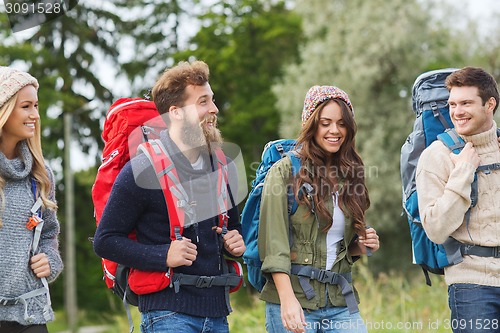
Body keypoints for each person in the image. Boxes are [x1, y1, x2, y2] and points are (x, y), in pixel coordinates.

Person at [93, 60, 245, 333]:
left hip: (218, 314)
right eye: (203, 102)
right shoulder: (142, 170)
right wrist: (163, 255)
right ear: (175, 112)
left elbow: (233, 227)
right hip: (167, 315)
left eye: (212, 100)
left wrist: (234, 240)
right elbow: (105, 242)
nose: (214, 109)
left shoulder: (222, 166)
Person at [258, 85, 380, 333]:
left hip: (339, 301)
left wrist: (360, 245)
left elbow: (335, 245)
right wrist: (287, 300)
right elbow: (274, 245)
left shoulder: (350, 174)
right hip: (295, 300)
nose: (335, 130)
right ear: (311, 124)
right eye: (325, 123)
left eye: (342, 123)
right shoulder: (284, 172)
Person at [416, 66, 500, 332]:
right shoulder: (436, 156)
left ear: (490, 104)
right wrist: (462, 173)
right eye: (452, 104)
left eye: (466, 103)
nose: (457, 111)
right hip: (472, 283)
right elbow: (436, 230)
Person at [0, 66, 63, 332]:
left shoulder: (40, 175)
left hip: (30, 313)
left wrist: (50, 259)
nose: (35, 115)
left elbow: (49, 233)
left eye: (36, 106)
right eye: (26, 106)